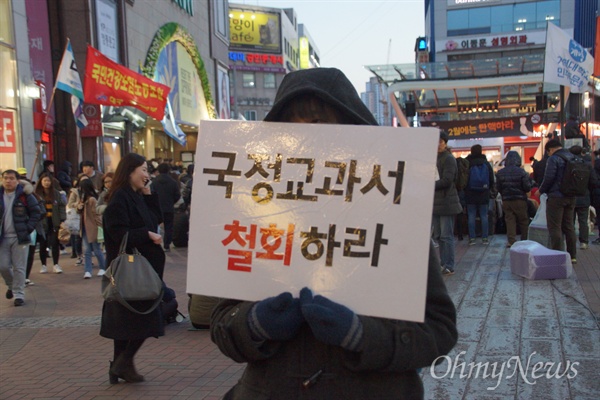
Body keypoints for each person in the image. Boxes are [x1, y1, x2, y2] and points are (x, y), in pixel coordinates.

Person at [210, 68, 457, 399]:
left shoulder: (394, 214)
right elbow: (222, 321)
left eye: (324, 126)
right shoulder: (255, 216)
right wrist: (254, 323)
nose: (310, 142)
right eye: (294, 128)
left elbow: (438, 330)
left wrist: (361, 335)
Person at [100, 153, 165, 384]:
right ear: (130, 171)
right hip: (132, 273)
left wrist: (148, 195)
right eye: (144, 170)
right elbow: (118, 232)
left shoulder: (136, 195)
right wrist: (145, 234)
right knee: (144, 318)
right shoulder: (120, 198)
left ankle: (119, 366)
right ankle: (122, 362)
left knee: (124, 323)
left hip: (140, 272)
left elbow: (156, 219)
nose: (147, 175)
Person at [0, 170, 42, 306]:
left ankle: (19, 294)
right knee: (3, 266)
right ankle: (11, 285)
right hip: (3, 238)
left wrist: (28, 228)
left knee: (19, 267)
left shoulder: (25, 195)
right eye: (5, 178)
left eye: (11, 178)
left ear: (17, 181)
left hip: (20, 237)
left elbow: (37, 212)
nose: (8, 181)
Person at [539, 139, 578, 263]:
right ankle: (572, 256)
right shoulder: (573, 157)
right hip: (571, 196)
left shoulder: (554, 159)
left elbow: (549, 177)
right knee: (569, 226)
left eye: (548, 152)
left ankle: (558, 256)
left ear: (550, 149)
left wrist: (541, 190)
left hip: (556, 197)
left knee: (555, 226)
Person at [433, 131, 463, 275]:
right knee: (438, 236)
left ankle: (449, 265)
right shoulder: (431, 158)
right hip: (435, 203)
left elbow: (447, 180)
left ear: (445, 142)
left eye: (441, 141)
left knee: (446, 235)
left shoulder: (449, 158)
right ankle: (442, 263)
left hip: (447, 202)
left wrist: (429, 184)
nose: (438, 144)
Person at [496, 151, 533, 248]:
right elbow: (527, 187)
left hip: (506, 200)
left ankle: (511, 241)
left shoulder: (500, 172)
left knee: (509, 220)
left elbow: (498, 187)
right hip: (520, 199)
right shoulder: (522, 172)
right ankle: (524, 239)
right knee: (523, 220)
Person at [35, 173, 67, 274]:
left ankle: (56, 264)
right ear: (41, 182)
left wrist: (62, 219)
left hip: (54, 221)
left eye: (48, 181)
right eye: (44, 181)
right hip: (42, 222)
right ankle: (43, 265)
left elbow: (61, 206)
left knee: (54, 243)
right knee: (43, 244)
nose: (46, 183)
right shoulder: (37, 194)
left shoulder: (56, 193)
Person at [464, 144, 494, 245]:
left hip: (470, 193)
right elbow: (491, 179)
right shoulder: (486, 163)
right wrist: (488, 189)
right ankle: (485, 238)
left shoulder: (467, 163)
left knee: (471, 215)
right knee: (484, 216)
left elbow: (464, 179)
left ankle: (472, 238)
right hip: (483, 193)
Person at [569, 146, 598, 250]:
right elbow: (594, 181)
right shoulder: (588, 165)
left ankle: (570, 242)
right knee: (583, 221)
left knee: (570, 221)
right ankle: (584, 242)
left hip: (570, 197)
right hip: (584, 196)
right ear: (582, 152)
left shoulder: (568, 165)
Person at [78, 179, 106, 278]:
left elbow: (96, 214)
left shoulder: (92, 200)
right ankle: (88, 270)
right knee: (87, 250)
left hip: (93, 227)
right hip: (85, 227)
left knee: (96, 249)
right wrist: (79, 207)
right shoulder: (83, 200)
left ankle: (103, 267)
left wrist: (100, 226)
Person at [151, 163, 181, 252]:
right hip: (169, 207)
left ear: (158, 170)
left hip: (157, 208)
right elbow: (177, 195)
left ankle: (155, 243)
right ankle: (167, 245)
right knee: (169, 226)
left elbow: (151, 194)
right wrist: (172, 202)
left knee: (155, 226)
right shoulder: (173, 182)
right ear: (168, 170)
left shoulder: (154, 181)